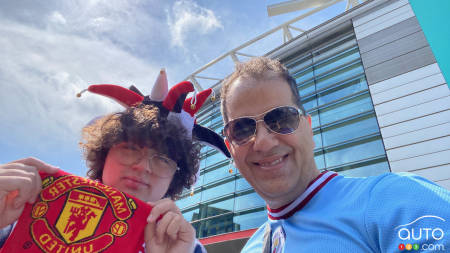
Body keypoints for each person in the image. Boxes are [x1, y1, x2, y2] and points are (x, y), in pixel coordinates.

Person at [220, 57, 450, 252]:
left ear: (308, 129)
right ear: (230, 148)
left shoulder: (394, 199)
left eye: (281, 119)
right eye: (241, 129)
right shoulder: (250, 247)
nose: (263, 142)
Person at [0, 70, 230, 252]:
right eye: (130, 148)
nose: (142, 166)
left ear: (175, 177)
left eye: (162, 159)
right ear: (104, 155)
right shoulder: (20, 212)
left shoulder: (185, 247)